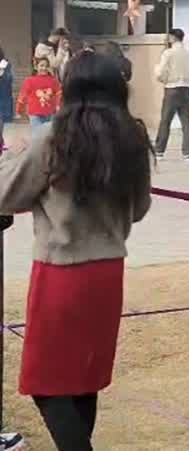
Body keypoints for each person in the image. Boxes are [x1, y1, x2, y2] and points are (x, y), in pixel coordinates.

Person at [0, 51, 153, 451]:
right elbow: (139, 210)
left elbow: (5, 193)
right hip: (108, 271)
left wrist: (14, 157)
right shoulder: (133, 138)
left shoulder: (54, 138)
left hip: (61, 274)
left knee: (46, 382)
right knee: (84, 378)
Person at [153, 28, 189, 160]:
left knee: (165, 121)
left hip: (171, 89)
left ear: (173, 37)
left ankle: (159, 151)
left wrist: (160, 77)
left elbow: (161, 72)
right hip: (186, 89)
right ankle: (188, 153)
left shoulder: (168, 53)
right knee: (186, 122)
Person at [17, 57, 62, 131]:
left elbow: (60, 95)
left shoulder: (54, 81)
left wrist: (59, 107)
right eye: (41, 65)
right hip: (35, 115)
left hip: (50, 115)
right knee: (38, 137)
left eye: (46, 66)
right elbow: (22, 97)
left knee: (48, 138)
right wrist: (19, 110)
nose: (44, 68)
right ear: (36, 67)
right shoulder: (29, 81)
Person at [0, 46, 12, 149]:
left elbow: (9, 78)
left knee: (0, 120)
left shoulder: (5, 63)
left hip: (2, 96)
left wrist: (3, 71)